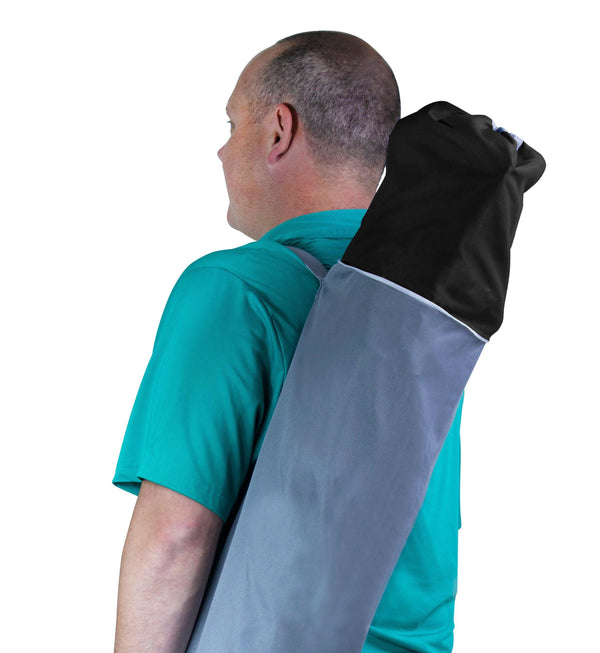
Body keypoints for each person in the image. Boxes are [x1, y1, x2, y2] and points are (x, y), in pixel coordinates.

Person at [113, 31, 463, 652]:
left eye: (232, 124)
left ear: (279, 130)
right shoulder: (420, 308)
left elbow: (175, 537)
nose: (222, 150)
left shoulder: (234, 288)